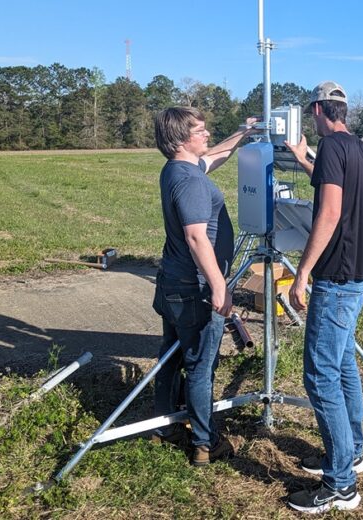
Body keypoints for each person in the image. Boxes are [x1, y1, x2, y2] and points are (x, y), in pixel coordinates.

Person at [283, 81, 363, 513]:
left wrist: (302, 273)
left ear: (319, 110)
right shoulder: (357, 148)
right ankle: (351, 454)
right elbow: (332, 182)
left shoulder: (334, 150)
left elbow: (331, 209)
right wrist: (304, 160)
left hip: (335, 278)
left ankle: (340, 484)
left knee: (320, 376)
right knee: (341, 365)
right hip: (355, 274)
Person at [151, 107, 259, 465]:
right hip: (195, 287)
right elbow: (197, 237)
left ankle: (165, 423)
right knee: (200, 365)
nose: (208, 134)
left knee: (172, 354)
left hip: (173, 281)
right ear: (182, 139)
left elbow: (215, 156)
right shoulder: (191, 181)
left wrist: (243, 133)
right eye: (200, 130)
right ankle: (204, 441)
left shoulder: (177, 169)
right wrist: (219, 286)